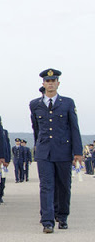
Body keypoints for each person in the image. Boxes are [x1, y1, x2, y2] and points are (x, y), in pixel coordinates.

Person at [29, 69, 83, 233]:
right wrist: (38, 146)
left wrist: (77, 152)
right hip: (44, 151)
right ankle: (48, 221)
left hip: (63, 150)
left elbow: (74, 128)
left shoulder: (67, 103)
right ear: (43, 84)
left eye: (53, 81)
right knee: (46, 186)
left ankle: (63, 216)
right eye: (47, 81)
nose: (50, 83)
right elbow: (36, 129)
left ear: (58, 84)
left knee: (64, 185)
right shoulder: (35, 104)